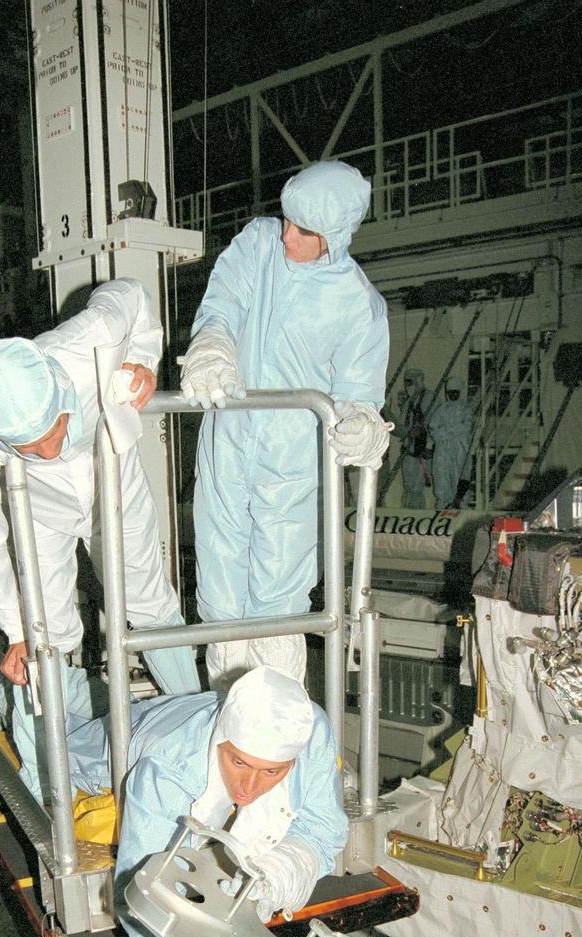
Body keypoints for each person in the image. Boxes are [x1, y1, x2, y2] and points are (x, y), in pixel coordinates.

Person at [0, 278, 199, 801]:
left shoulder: (87, 341)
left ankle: (201, 718)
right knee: (45, 637)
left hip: (111, 475)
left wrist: (144, 360)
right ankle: (49, 794)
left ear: (60, 390)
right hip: (38, 509)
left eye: (53, 431)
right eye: (30, 445)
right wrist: (15, 628)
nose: (50, 449)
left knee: (148, 600)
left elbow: (135, 301)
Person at [68, 665, 348, 937]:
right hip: (116, 745)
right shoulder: (165, 771)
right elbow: (143, 900)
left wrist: (275, 873)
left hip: (192, 711)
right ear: (224, 741)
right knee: (70, 742)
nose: (250, 786)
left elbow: (322, 828)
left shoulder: (309, 730)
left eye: (272, 772)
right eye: (239, 762)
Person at [180, 160, 391, 691]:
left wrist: (363, 425)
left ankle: (274, 739)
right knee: (220, 591)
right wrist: (211, 345)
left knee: (277, 600)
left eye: (305, 231)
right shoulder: (258, 243)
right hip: (228, 445)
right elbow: (222, 302)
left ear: (335, 238)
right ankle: (223, 728)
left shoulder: (359, 304)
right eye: (287, 221)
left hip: (294, 465)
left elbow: (359, 392)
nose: (288, 236)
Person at [428, 375, 474, 509]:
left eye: (455, 392)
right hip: (442, 451)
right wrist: (451, 432)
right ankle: (443, 506)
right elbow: (433, 428)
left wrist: (444, 432)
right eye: (450, 393)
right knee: (441, 476)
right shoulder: (442, 409)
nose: (453, 395)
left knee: (459, 476)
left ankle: (461, 505)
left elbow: (465, 428)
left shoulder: (465, 409)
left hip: (460, 449)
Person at [399, 368, 436, 509]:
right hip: (409, 450)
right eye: (406, 382)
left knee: (416, 487)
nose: (407, 386)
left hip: (421, 451)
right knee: (408, 486)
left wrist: (429, 445)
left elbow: (433, 424)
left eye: (410, 382)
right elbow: (403, 425)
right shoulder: (409, 403)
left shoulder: (429, 398)